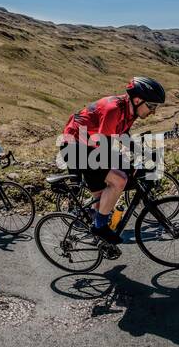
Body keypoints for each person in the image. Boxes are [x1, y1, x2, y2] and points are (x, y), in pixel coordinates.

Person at [58, 76, 165, 245]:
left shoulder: (130, 111)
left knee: (102, 198)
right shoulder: (113, 109)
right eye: (151, 106)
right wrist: (130, 166)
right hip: (74, 146)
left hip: (89, 145)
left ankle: (97, 235)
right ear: (137, 100)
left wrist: (144, 154)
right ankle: (99, 227)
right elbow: (106, 147)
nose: (153, 111)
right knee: (120, 179)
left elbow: (123, 136)